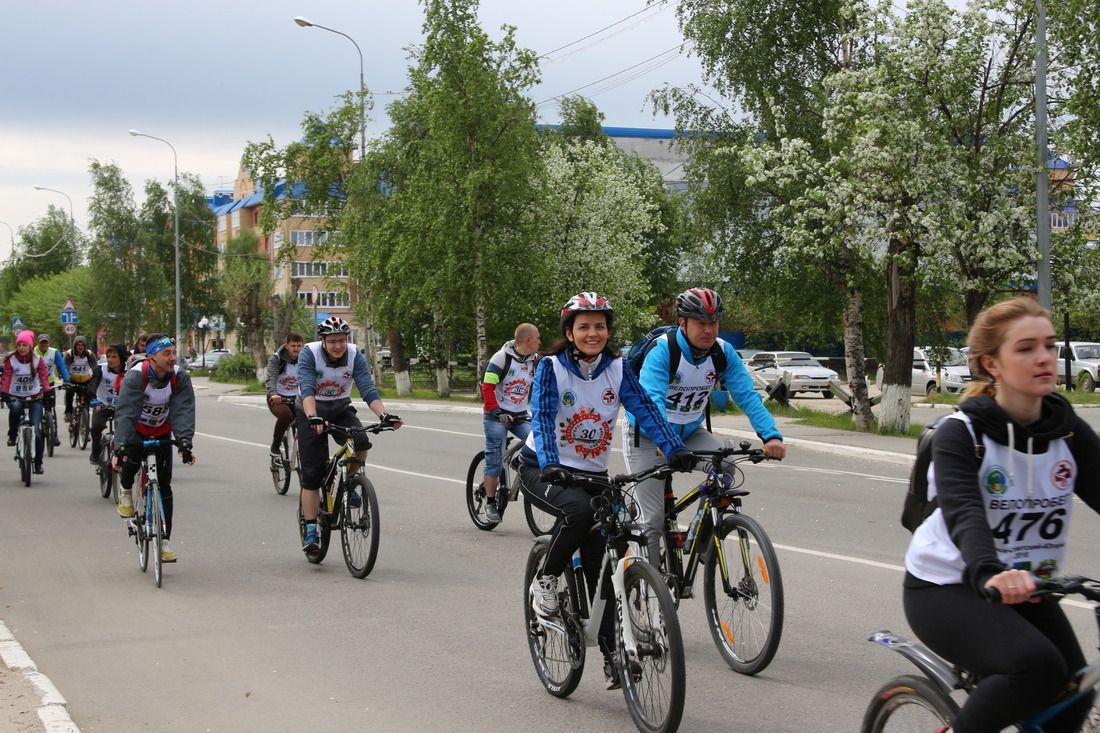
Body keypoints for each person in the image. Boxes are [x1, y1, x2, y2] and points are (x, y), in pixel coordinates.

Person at [903, 298, 1100, 733]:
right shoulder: (962, 434)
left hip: (1029, 588)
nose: (1045, 357)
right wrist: (990, 571)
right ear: (991, 363)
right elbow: (965, 512)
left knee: (1074, 694)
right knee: (1036, 667)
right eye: (1026, 348)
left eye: (1049, 345)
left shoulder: (1067, 432)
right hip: (949, 587)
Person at [518, 292, 694, 688]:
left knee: (603, 560)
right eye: (584, 327)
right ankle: (545, 581)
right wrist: (549, 464)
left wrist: (674, 448)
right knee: (579, 514)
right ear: (569, 332)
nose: (593, 333)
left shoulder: (617, 367)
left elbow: (645, 409)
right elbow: (544, 419)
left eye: (600, 326)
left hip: (594, 475)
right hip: (543, 468)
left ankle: (614, 653)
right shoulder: (550, 368)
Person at [624, 287, 786, 562]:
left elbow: (746, 395)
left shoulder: (723, 353)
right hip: (650, 437)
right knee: (651, 522)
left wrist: (771, 436)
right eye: (701, 323)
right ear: (682, 323)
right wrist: (666, 442)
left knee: (726, 469)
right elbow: (652, 402)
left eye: (713, 323)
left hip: (690, 432)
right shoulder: (664, 350)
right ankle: (647, 595)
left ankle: (701, 536)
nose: (709, 330)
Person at [296, 317, 402, 555]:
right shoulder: (309, 353)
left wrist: (384, 415)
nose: (337, 346)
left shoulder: (355, 355)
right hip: (309, 410)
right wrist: (313, 417)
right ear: (323, 341)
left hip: (340, 408)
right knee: (312, 475)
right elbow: (307, 387)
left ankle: (348, 484)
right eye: (332, 341)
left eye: (341, 341)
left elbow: (366, 387)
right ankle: (311, 530)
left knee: (362, 442)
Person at [113, 335, 196, 563]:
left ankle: (164, 540)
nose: (172, 358)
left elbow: (183, 410)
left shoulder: (179, 377)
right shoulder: (136, 377)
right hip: (136, 428)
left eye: (173, 352)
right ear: (152, 358)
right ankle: (126, 489)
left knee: (164, 485)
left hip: (161, 430)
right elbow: (126, 412)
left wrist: (185, 442)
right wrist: (120, 445)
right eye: (166, 354)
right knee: (132, 454)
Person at [479, 323, 541, 522]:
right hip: (496, 415)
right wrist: (496, 412)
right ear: (528, 340)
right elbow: (487, 387)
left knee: (539, 442)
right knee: (495, 459)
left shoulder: (535, 361)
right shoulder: (501, 358)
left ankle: (518, 460)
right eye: (538, 338)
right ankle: (490, 502)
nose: (541, 342)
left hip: (520, 414)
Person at [1, 330, 53, 474]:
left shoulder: (37, 360)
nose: (21, 348)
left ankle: (37, 463)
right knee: (16, 408)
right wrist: (4, 392)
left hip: (34, 397)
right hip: (16, 396)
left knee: (36, 431)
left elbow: (43, 376)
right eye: (19, 345)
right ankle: (12, 434)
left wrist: (47, 390)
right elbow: (6, 377)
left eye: (24, 345)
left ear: (30, 346)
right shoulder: (11, 361)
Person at [87, 343, 129, 465]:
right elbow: (93, 384)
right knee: (96, 426)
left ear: (121, 358)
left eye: (114, 357)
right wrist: (93, 399)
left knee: (126, 430)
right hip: (102, 404)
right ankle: (96, 451)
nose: (110, 360)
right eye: (109, 356)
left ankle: (123, 453)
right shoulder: (101, 369)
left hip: (121, 407)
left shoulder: (130, 370)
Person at [266, 332, 304, 457]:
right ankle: (275, 445)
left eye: (299, 346)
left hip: (298, 398)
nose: (296, 349)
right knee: (285, 415)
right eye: (293, 346)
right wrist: (273, 394)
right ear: (286, 346)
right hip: (279, 397)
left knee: (307, 422)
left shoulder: (305, 359)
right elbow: (271, 378)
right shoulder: (277, 358)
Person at [34, 333, 70, 445]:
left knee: (51, 409)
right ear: (38, 343)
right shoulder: (32, 352)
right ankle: (35, 431)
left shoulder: (54, 352)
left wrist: (66, 380)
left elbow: (61, 366)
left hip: (49, 383)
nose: (44, 345)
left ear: (48, 343)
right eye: (41, 343)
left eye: (46, 342)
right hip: (35, 384)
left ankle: (54, 434)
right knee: (36, 408)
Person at [63, 335, 96, 421]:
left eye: (82, 345)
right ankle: (68, 412)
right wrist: (66, 381)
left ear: (85, 346)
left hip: (85, 380)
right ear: (75, 346)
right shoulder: (69, 354)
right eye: (78, 345)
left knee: (88, 397)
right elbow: (65, 368)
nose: (80, 347)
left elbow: (95, 369)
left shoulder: (89, 354)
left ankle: (85, 413)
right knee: (69, 393)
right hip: (72, 380)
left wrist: (95, 380)